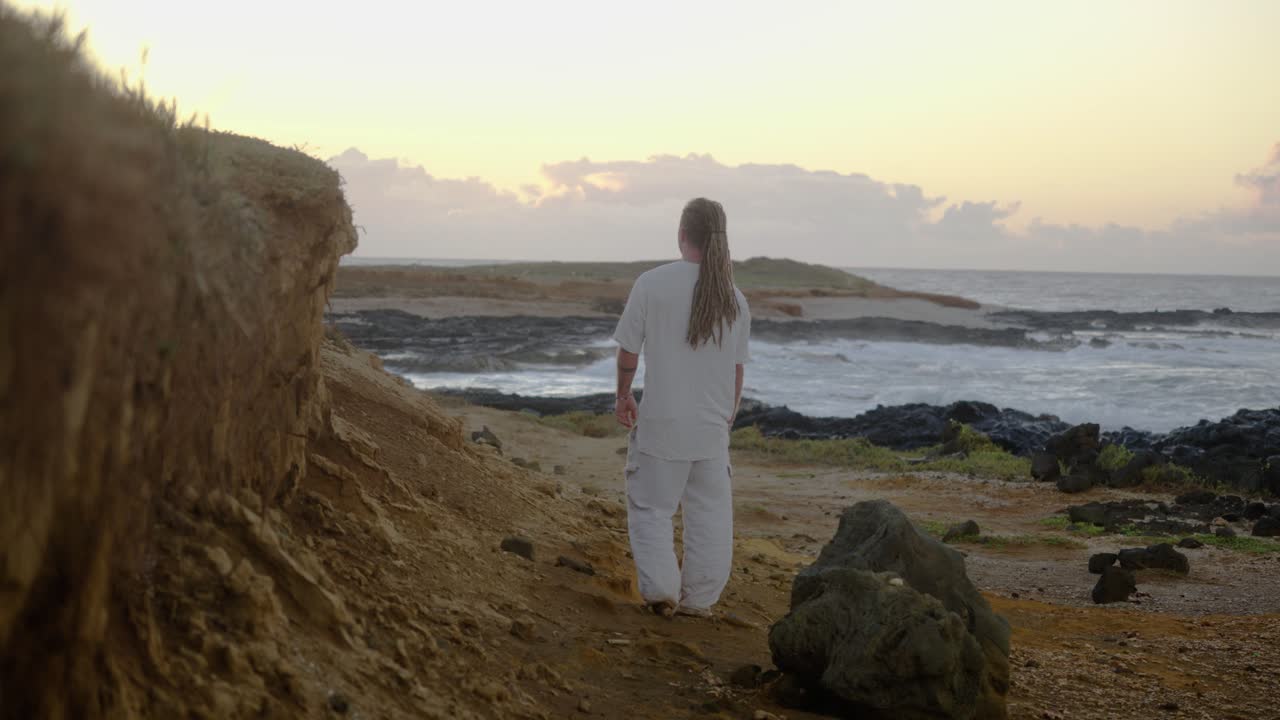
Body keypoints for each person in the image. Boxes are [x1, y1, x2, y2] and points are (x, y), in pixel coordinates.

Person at [612, 197, 750, 618]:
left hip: (662, 424)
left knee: (652, 509)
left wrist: (623, 394)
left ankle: (662, 592)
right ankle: (700, 601)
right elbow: (736, 370)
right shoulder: (734, 297)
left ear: (682, 235)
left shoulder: (651, 284)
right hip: (711, 429)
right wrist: (728, 414)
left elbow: (629, 353)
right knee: (710, 518)